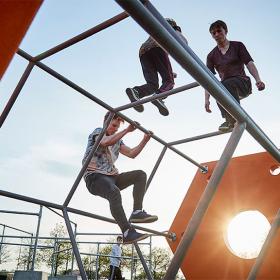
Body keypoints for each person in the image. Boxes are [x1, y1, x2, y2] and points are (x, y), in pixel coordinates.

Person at [82, 112, 158, 244]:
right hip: (95, 177)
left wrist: (145, 140)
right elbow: (105, 142)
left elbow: (131, 153)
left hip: (112, 176)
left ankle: (137, 211)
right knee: (114, 192)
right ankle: (127, 232)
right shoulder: (98, 132)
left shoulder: (118, 140)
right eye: (113, 125)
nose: (114, 129)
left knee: (140, 174)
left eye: (117, 127)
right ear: (105, 122)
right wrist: (127, 130)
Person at [204, 20, 265, 131]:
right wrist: (207, 99)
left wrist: (258, 80)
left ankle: (232, 118)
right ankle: (229, 121)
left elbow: (249, 63)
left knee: (225, 84)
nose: (217, 34)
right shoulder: (211, 55)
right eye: (214, 33)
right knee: (218, 88)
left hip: (242, 83)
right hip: (225, 88)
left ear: (225, 31)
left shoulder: (237, 46)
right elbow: (208, 79)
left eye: (219, 31)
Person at [126, 18, 188, 116]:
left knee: (153, 85)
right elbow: (183, 42)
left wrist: (170, 72)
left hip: (143, 51)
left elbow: (159, 64)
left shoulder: (155, 30)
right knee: (169, 81)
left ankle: (136, 92)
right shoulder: (172, 29)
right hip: (158, 47)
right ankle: (158, 97)